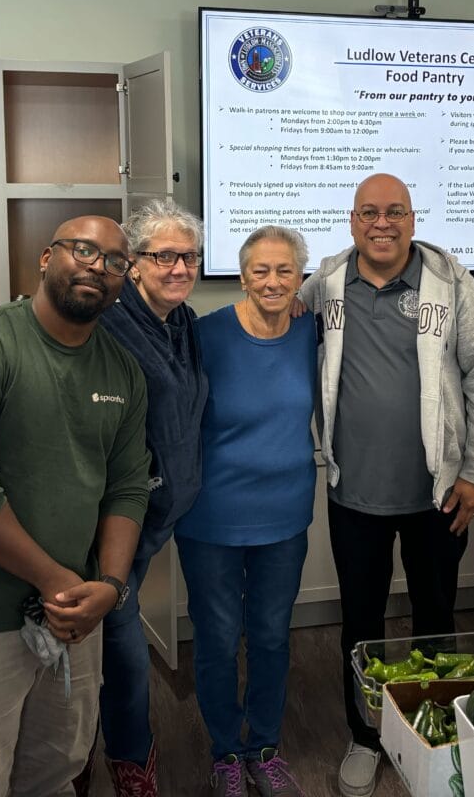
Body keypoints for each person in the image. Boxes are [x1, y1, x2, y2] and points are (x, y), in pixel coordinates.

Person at [0, 198, 209, 797]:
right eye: (83, 249)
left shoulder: (123, 367)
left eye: (113, 261)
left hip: (76, 616)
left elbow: (128, 484)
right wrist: (61, 583)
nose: (97, 266)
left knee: (55, 763)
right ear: (46, 257)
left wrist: (110, 586)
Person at [295, 172, 474, 797]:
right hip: (352, 491)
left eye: (395, 212)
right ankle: (366, 735)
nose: (381, 224)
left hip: (438, 494)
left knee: (436, 617)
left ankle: (430, 732)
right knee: (360, 622)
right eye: (369, 213)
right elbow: (272, 322)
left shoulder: (450, 283)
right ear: (352, 221)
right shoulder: (326, 284)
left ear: (414, 219)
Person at [177, 226, 317, 797]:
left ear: (301, 277)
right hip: (210, 517)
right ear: (241, 276)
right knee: (215, 638)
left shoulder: (312, 332)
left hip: (285, 516)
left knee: (270, 636)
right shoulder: (204, 336)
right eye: (261, 270)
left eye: (285, 270)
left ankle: (263, 745)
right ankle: (225, 751)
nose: (273, 281)